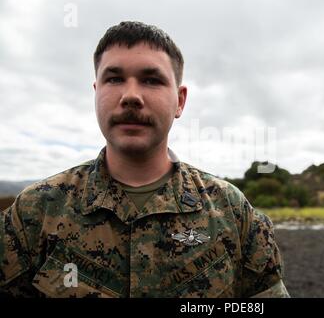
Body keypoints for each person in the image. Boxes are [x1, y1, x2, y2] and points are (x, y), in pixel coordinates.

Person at [0, 21, 290, 298]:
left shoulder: (232, 212)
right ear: (96, 92)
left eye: (151, 80)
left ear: (180, 101)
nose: (131, 96)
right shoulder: (35, 211)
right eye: (114, 79)